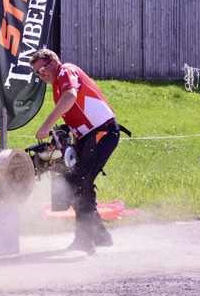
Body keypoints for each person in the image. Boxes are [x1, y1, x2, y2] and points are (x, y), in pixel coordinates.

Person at [29, 48, 129, 254]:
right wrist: (73, 146)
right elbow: (76, 119)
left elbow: (71, 96)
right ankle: (100, 236)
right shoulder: (57, 85)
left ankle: (85, 240)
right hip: (87, 137)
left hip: (101, 132)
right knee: (74, 182)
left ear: (54, 62)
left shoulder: (65, 70)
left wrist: (47, 124)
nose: (41, 75)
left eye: (42, 70)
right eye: (37, 73)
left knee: (81, 182)